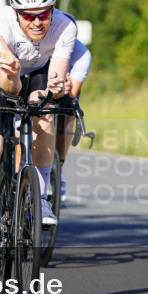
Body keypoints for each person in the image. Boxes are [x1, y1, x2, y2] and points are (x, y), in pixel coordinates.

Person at [0, 0, 75, 263]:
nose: (37, 22)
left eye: (43, 14)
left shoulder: (65, 26)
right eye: (28, 16)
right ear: (16, 12)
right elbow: (9, 88)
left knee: (46, 116)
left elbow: (55, 79)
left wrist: (52, 92)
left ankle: (40, 197)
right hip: (0, 77)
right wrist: (14, 74)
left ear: (53, 9)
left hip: (38, 73)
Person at [56, 35, 91, 203]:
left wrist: (65, 88)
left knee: (69, 107)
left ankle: (58, 167)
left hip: (66, 90)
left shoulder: (81, 53)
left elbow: (73, 92)